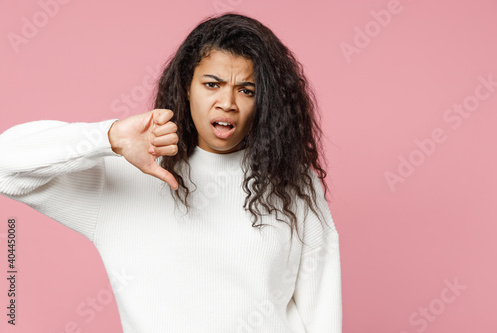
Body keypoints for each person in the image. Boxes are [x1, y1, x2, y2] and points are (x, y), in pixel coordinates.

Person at [0, 12, 342, 333]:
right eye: (212, 84)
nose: (228, 103)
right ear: (186, 87)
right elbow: (6, 165)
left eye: (246, 90)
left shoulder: (290, 183)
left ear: (264, 101)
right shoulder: (127, 175)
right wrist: (111, 137)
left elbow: (321, 310)